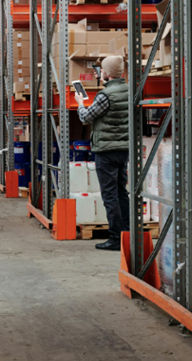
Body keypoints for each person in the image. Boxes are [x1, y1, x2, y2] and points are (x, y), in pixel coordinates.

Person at [74, 55, 130, 251]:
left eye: (102, 70)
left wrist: (80, 102)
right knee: (122, 192)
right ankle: (127, 233)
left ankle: (115, 238)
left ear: (107, 72)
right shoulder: (129, 90)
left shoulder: (106, 96)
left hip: (106, 151)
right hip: (124, 150)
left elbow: (86, 118)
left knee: (110, 194)